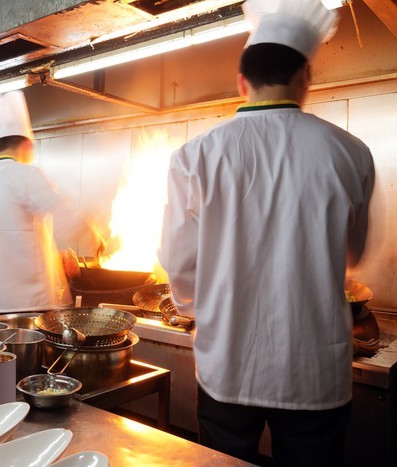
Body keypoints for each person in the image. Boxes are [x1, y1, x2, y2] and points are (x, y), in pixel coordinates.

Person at [158, 0, 375, 465]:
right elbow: (353, 254)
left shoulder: (194, 156)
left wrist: (202, 312)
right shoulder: (350, 153)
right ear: (306, 76)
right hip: (314, 367)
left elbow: (179, 261)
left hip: (228, 362)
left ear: (242, 82)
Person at [0, 90, 103, 316]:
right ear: (27, 145)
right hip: (27, 306)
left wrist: (54, 256)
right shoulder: (27, 175)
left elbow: (12, 240)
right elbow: (64, 215)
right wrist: (93, 235)